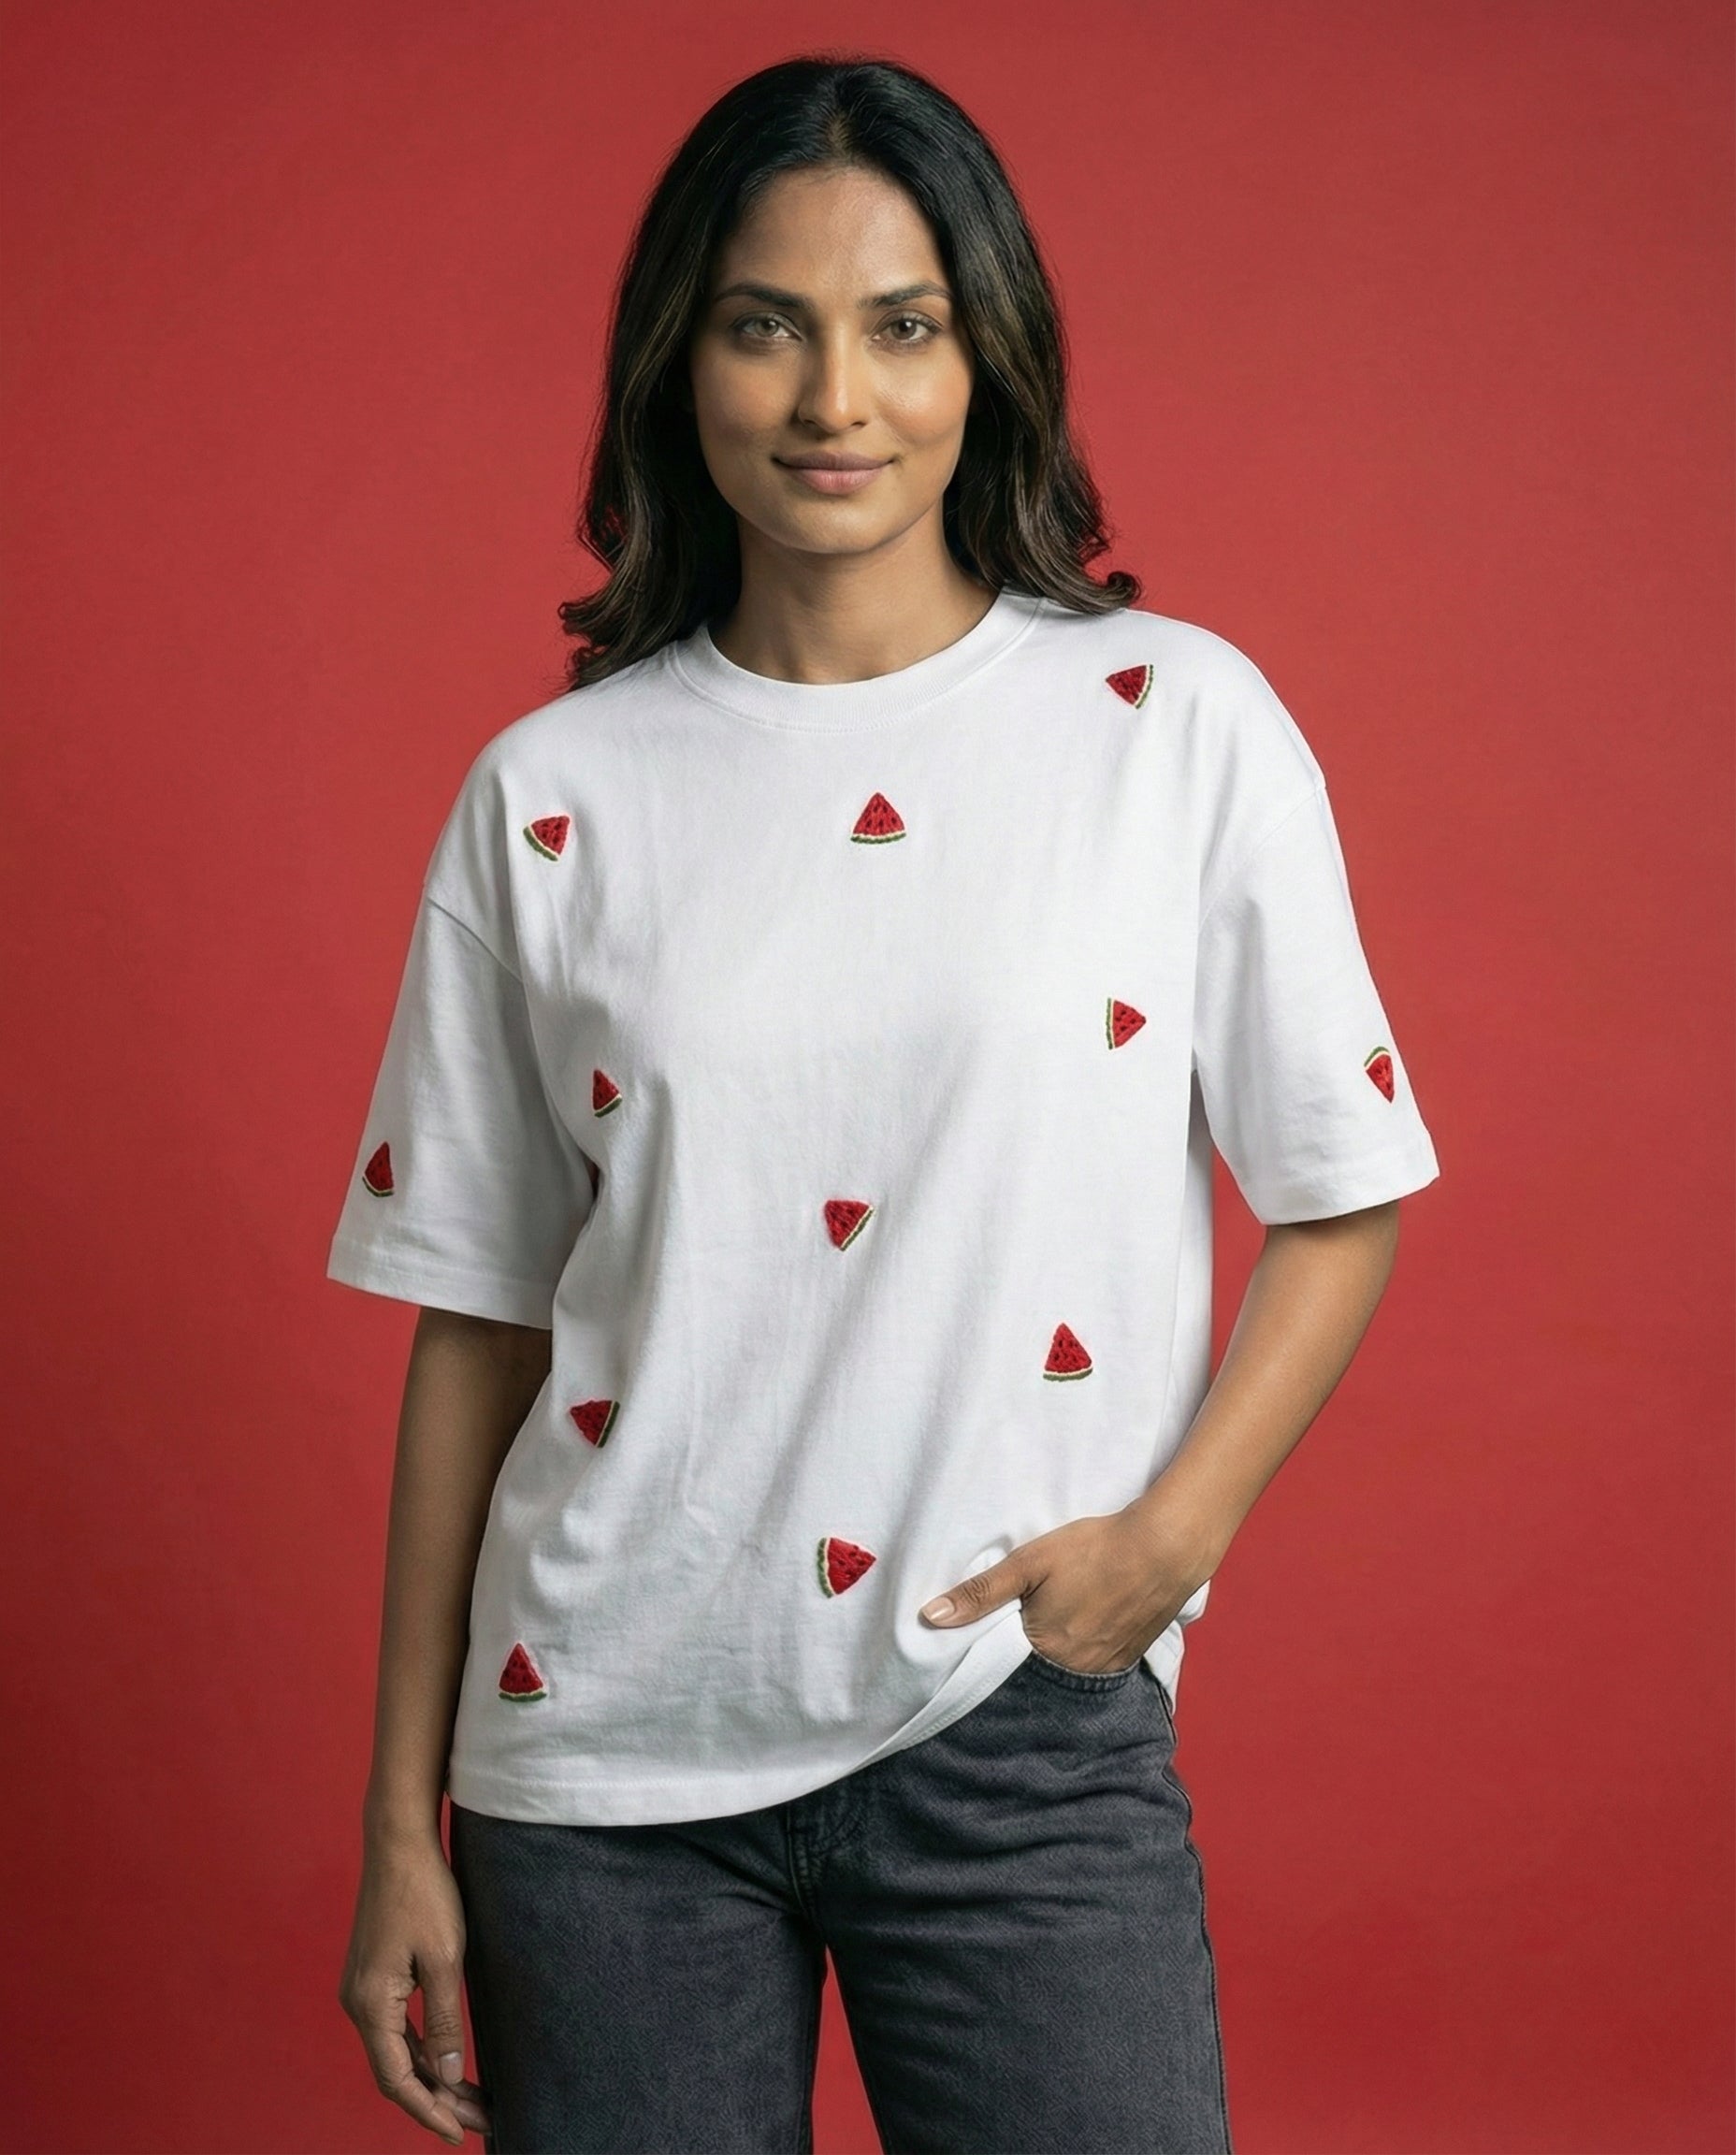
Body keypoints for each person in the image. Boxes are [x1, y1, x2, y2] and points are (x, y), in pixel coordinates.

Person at [328, 52, 1440, 2155]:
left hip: (1018, 1724)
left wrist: (1167, 1547)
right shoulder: (554, 799)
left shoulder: (1167, 728)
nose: (833, 395)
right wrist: (402, 1825)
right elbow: (475, 1319)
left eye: (900, 326)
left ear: (985, 356)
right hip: (597, 1766)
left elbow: (1344, 1187)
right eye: (767, 324)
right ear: (682, 364)